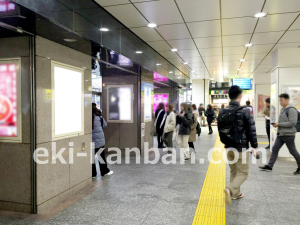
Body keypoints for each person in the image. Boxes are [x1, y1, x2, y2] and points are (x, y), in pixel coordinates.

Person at [218, 85, 258, 205]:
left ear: (229, 96)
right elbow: (251, 130)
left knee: (233, 171)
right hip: (241, 148)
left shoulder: (222, 111)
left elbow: (220, 129)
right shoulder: (245, 111)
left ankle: (236, 194)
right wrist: (254, 146)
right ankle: (230, 190)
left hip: (228, 146)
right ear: (239, 96)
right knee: (243, 173)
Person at [259, 93, 300, 175]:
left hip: (288, 135)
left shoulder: (291, 109)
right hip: (281, 134)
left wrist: (279, 124)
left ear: (287, 100)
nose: (280, 102)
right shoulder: (283, 109)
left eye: (282, 100)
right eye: (280, 100)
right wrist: (277, 124)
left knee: (293, 151)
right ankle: (269, 166)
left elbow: (292, 123)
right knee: (275, 149)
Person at [92, 103, 113, 178]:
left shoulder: (87, 118)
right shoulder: (99, 117)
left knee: (91, 158)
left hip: (91, 141)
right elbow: (104, 125)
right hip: (100, 141)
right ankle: (104, 171)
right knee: (101, 157)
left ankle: (93, 174)